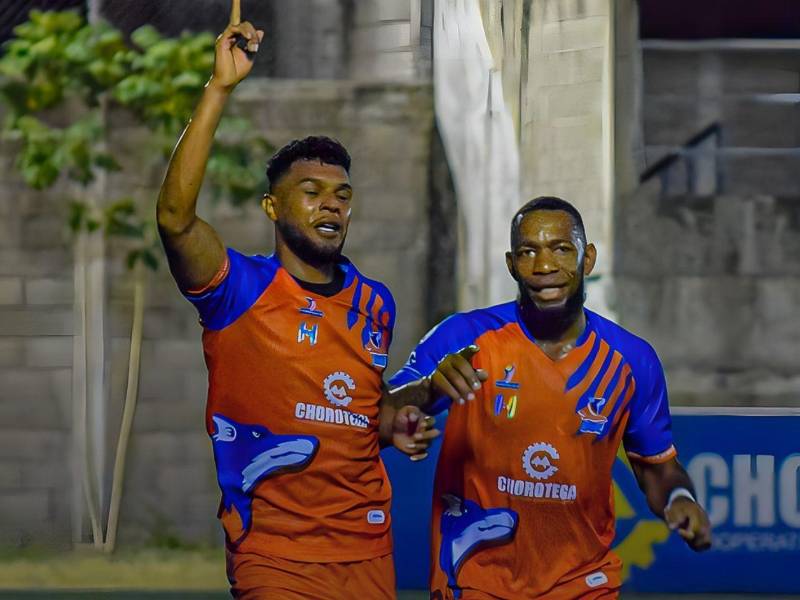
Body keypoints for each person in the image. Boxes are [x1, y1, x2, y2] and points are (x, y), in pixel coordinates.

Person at [156, 13, 437, 600]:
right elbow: (175, 220)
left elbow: (358, 413)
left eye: (342, 196)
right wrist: (219, 89)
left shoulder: (374, 303)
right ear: (272, 208)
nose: (330, 206)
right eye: (310, 193)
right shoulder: (238, 289)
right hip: (275, 555)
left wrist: (397, 421)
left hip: (367, 549)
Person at [389, 196, 712, 599]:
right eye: (528, 252)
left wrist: (679, 498)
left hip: (583, 582)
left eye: (561, 249)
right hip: (475, 579)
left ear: (587, 258)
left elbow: (656, 465)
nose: (544, 267)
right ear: (511, 265)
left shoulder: (632, 360)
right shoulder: (464, 336)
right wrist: (428, 389)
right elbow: (388, 406)